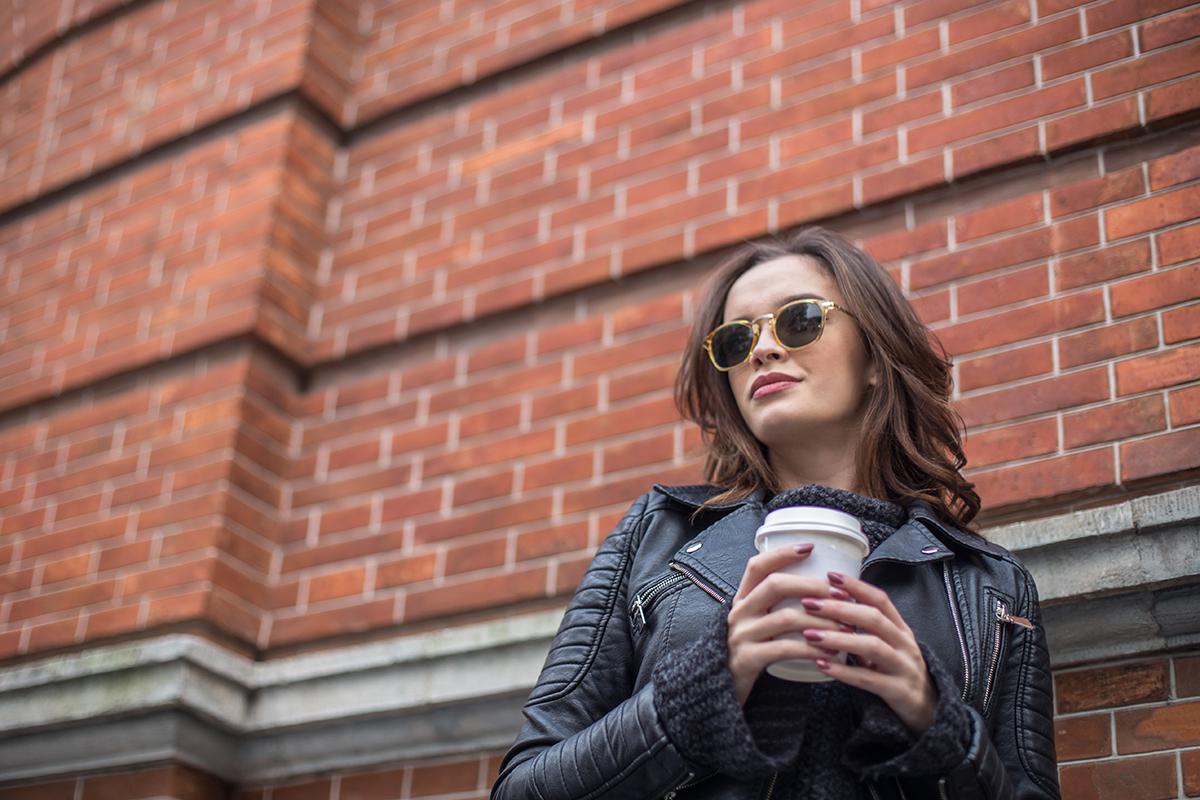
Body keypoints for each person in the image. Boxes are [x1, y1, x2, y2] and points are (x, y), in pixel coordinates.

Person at [490, 225, 1061, 799]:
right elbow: (522, 790)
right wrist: (701, 690)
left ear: (874, 357)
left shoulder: (992, 586)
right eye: (736, 341)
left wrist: (936, 722)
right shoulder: (657, 535)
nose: (763, 349)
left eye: (800, 320)